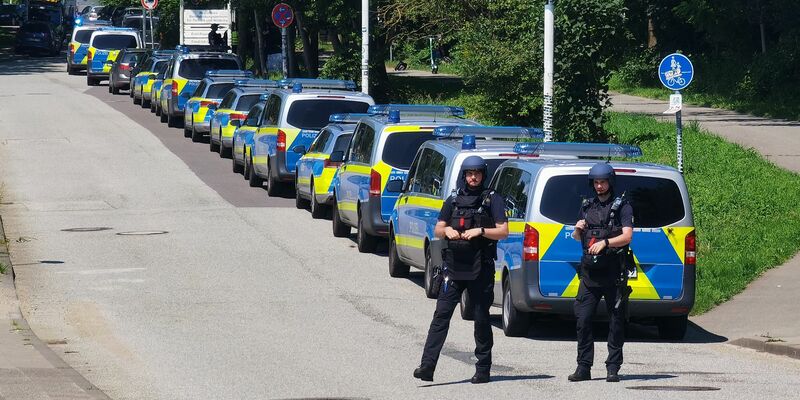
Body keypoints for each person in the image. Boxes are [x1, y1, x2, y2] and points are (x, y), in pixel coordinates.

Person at [413, 156, 509, 384]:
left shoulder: (492, 199)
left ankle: (483, 368)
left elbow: (503, 231)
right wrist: (447, 232)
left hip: (480, 268)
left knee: (480, 318)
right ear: (464, 175)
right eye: (469, 173)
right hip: (454, 267)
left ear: (483, 175)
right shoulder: (454, 199)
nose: (473, 177)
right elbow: (438, 228)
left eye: (477, 173)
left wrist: (481, 232)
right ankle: (427, 366)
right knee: (441, 316)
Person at [569, 162, 634, 383]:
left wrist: (606, 242)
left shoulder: (622, 207)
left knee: (616, 321)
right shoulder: (587, 206)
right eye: (596, 182)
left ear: (610, 182)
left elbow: (627, 236)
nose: (599, 186)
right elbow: (578, 238)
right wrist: (577, 230)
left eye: (602, 182)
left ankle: (613, 367)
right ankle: (583, 367)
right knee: (583, 319)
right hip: (589, 274)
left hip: (614, 273)